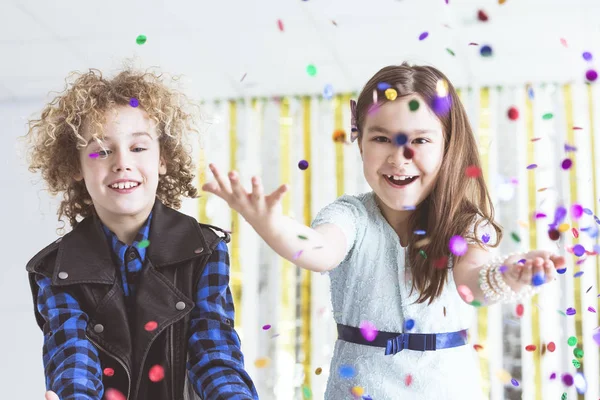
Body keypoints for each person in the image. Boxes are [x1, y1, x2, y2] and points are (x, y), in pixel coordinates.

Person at [201, 63, 566, 399]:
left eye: (420, 141)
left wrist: (512, 275)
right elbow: (318, 250)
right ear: (360, 141)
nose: (399, 156)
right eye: (381, 139)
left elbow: (473, 284)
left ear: (447, 146)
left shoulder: (465, 223)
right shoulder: (350, 214)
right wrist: (268, 221)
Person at [21, 66, 259, 400]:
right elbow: (71, 355)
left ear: (163, 158)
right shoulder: (55, 269)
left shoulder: (205, 250)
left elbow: (213, 352)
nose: (121, 163)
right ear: (75, 166)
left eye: (138, 148)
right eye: (101, 151)